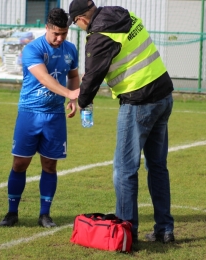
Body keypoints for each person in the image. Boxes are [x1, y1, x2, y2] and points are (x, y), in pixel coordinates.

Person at [67, 0, 175, 243]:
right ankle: (165, 230)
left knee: (124, 171)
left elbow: (93, 75)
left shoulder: (99, 36)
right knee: (157, 167)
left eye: (76, 24)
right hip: (164, 95)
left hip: (139, 102)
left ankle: (127, 233)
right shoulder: (124, 14)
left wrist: (81, 101)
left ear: (82, 19)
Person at [0, 8, 80, 228]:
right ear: (47, 27)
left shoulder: (70, 49)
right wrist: (69, 93)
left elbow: (73, 76)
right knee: (20, 163)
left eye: (64, 33)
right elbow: (44, 78)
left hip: (54, 116)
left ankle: (45, 214)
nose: (60, 38)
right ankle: (12, 212)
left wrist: (73, 99)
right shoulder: (32, 49)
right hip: (29, 112)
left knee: (50, 165)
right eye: (56, 33)